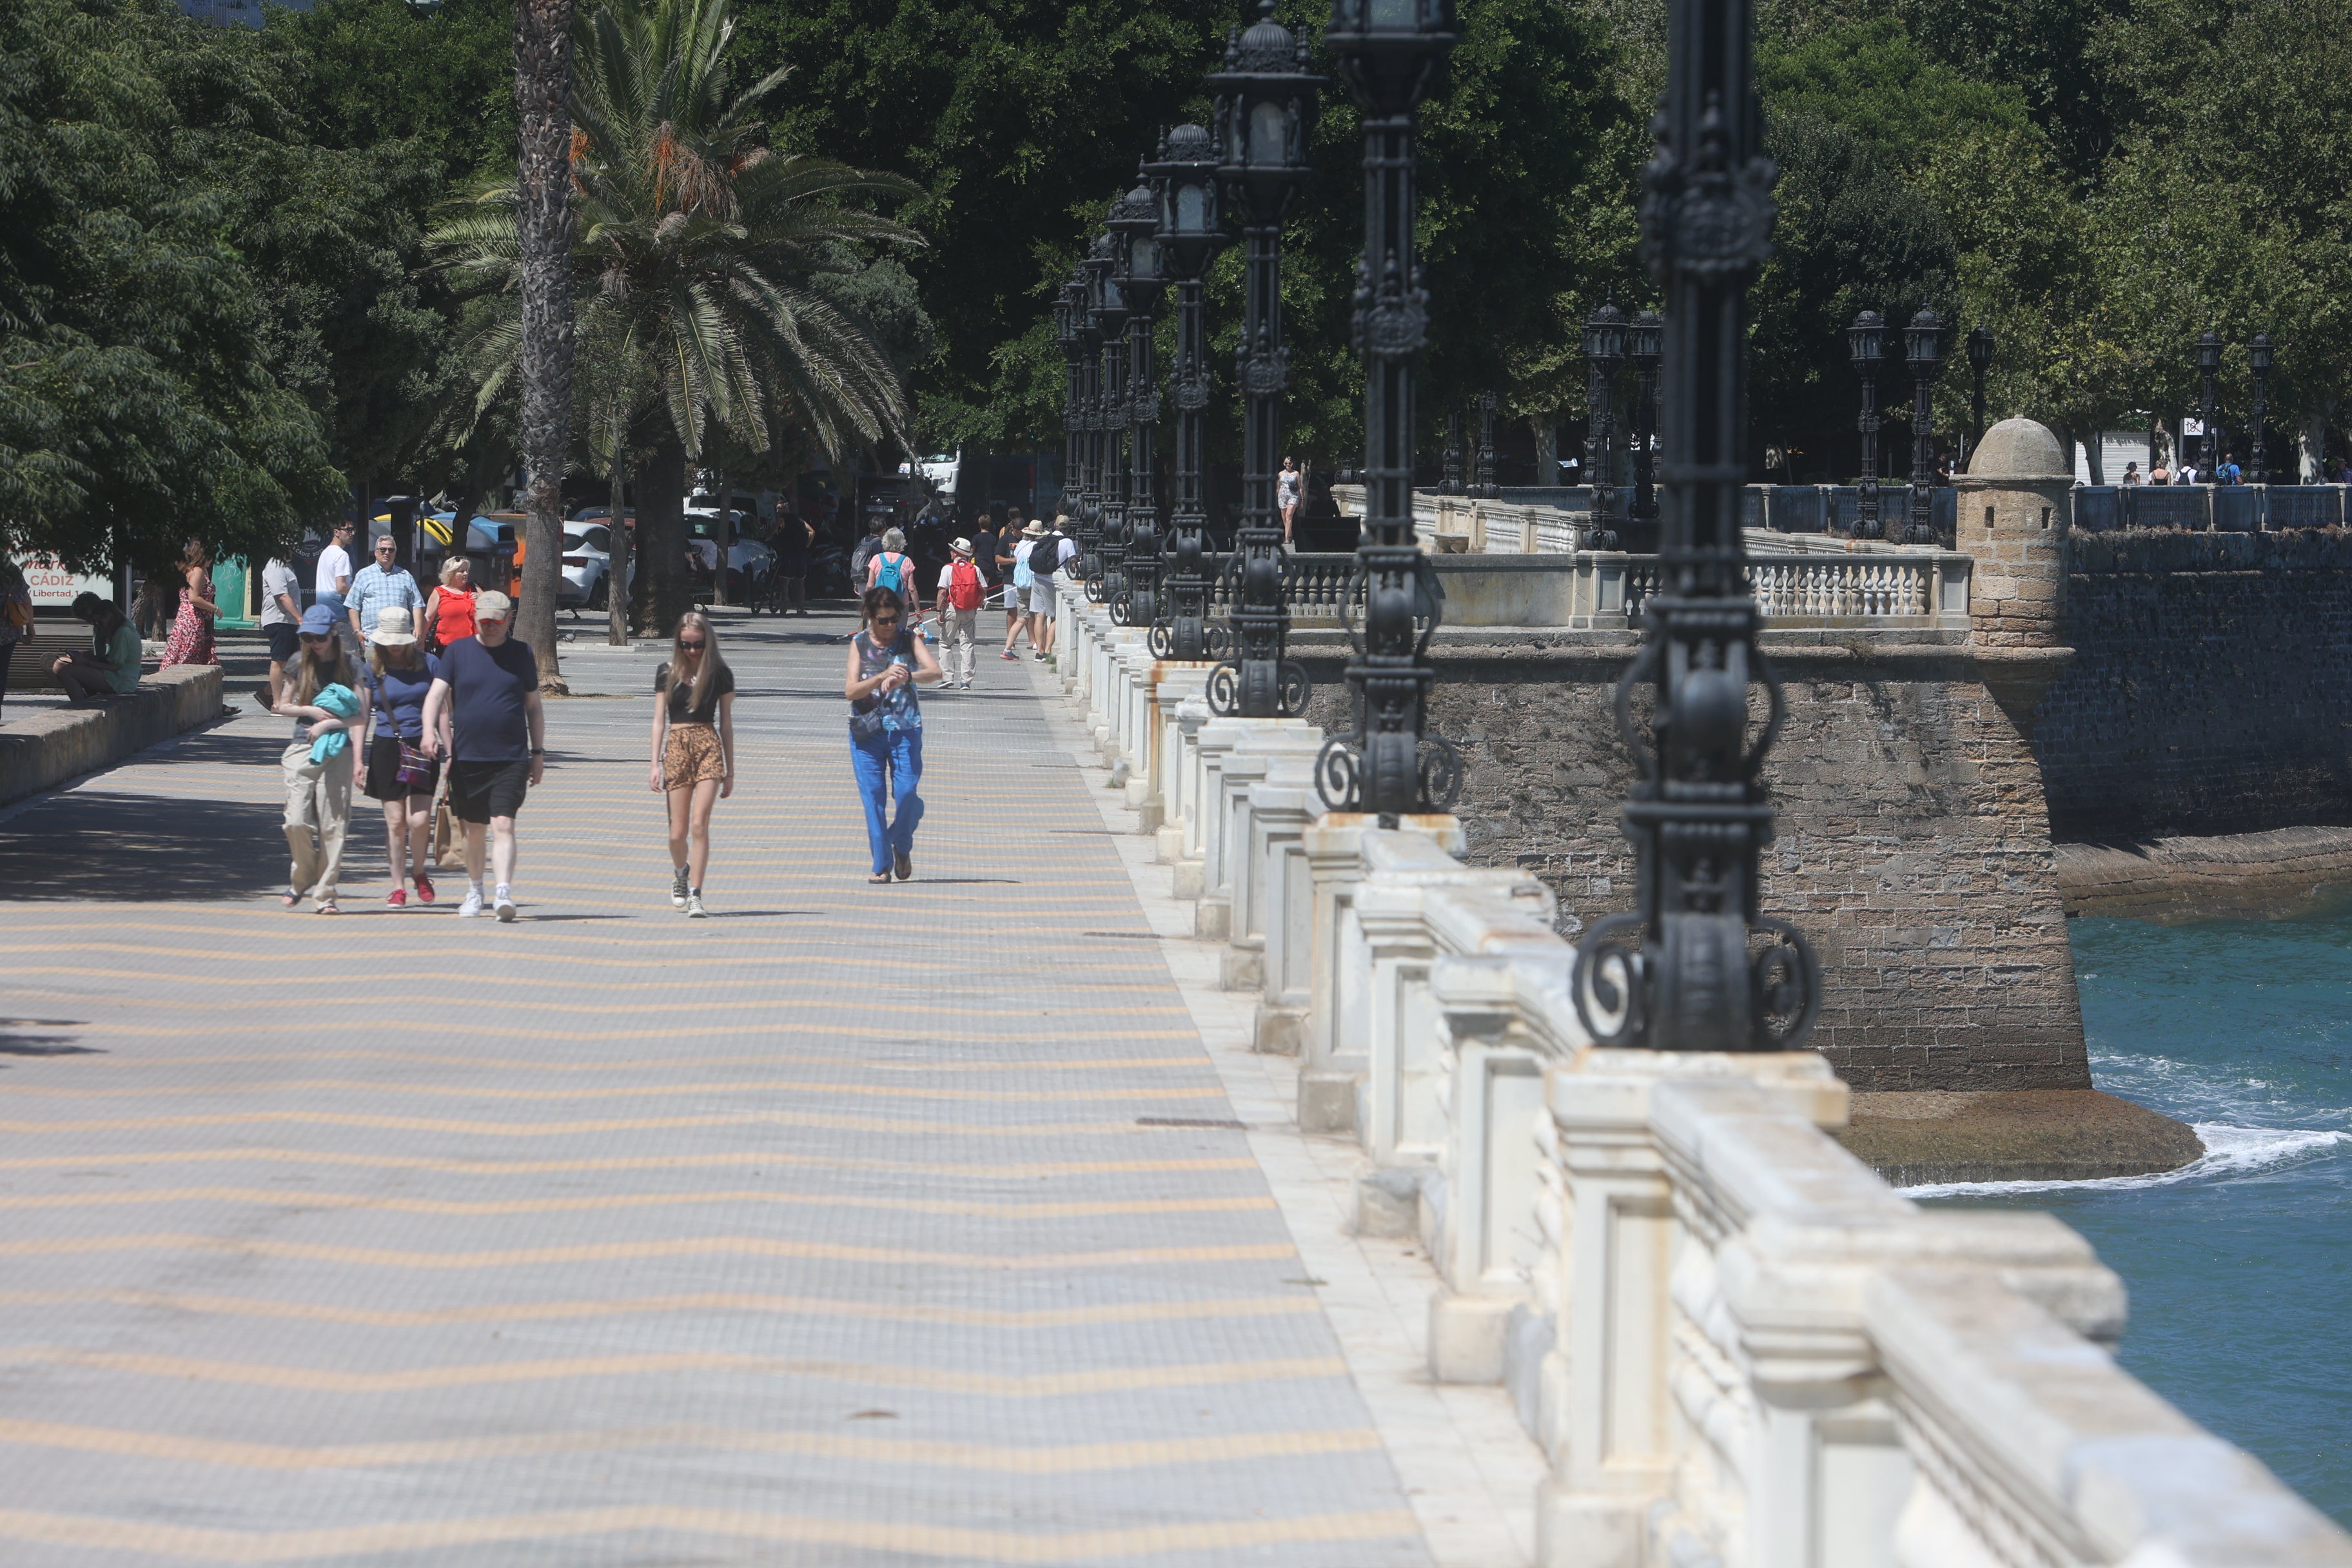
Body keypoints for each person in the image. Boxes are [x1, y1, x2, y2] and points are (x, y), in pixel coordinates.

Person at [420, 590, 544, 922]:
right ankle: (476, 890)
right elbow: (435, 697)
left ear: (508, 621)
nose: (490, 627)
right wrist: (429, 732)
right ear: (475, 619)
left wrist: (538, 753)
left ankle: (503, 891)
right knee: (474, 830)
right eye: (484, 621)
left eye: (497, 621)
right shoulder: (458, 652)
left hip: (511, 756)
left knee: (504, 823)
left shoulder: (521, 653)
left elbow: (533, 707)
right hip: (468, 758)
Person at [272, 604, 369, 915]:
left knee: (333, 826)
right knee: (295, 821)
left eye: (319, 637)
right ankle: (303, 877)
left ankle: (325, 895)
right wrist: (311, 711)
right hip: (303, 746)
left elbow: (362, 716)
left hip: (338, 747)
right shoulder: (300, 663)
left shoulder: (352, 666)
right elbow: (281, 706)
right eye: (308, 637)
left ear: (333, 633)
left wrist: (330, 725)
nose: (314, 642)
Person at [844, 585, 939, 884]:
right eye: (882, 620)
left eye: (894, 620)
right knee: (873, 799)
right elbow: (850, 691)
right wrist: (881, 677)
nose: (889, 627)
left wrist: (908, 676)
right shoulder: (859, 644)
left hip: (906, 729)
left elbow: (936, 672)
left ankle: (901, 843)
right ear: (870, 617)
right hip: (866, 732)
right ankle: (881, 865)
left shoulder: (909, 639)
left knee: (908, 795)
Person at [648, 610, 736, 917]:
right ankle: (681, 873)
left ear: (707, 642)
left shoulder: (720, 674)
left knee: (700, 825)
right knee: (677, 833)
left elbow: (726, 724)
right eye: (686, 645)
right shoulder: (666, 671)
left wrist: (730, 770)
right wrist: (654, 763)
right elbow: (659, 721)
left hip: (708, 746)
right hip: (677, 746)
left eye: (698, 644)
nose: (693, 651)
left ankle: (696, 894)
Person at [361, 606, 445, 908]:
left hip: (423, 745)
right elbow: (362, 717)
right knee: (396, 822)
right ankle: (398, 886)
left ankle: (419, 872)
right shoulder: (373, 669)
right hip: (387, 746)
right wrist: (358, 759)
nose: (395, 646)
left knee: (419, 819)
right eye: (389, 641)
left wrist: (452, 749)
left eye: (400, 640)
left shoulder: (431, 664)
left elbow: (443, 710)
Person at [50, 592, 142, 702]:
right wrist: (84, 655)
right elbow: (101, 655)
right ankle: (87, 698)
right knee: (60, 663)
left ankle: (80, 704)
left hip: (120, 679)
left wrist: (86, 662)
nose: (93, 623)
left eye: (94, 619)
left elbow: (114, 665)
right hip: (111, 671)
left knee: (66, 670)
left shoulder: (122, 632)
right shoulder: (104, 625)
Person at [348, 534, 423, 647]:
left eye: (391, 550)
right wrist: (357, 631)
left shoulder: (406, 576)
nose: (387, 553)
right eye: (383, 549)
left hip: (400, 642)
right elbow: (353, 605)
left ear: (395, 553)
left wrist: (418, 627)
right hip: (372, 641)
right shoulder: (363, 575)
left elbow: (417, 604)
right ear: (376, 552)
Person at [932, 538, 985, 692]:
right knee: (967, 645)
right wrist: (977, 606)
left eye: (952, 550)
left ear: (956, 553)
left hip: (951, 609)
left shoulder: (947, 569)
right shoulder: (975, 569)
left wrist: (938, 611)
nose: (950, 552)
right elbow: (983, 590)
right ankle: (966, 682)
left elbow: (942, 591)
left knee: (945, 643)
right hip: (969, 611)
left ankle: (947, 677)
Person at [160, 538, 217, 669]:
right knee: (189, 655)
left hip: (189, 618)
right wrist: (215, 608)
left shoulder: (195, 570)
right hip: (193, 619)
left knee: (185, 653)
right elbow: (194, 598)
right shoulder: (197, 571)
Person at [257, 552, 302, 709]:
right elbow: (282, 596)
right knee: (279, 660)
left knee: (293, 663)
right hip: (279, 620)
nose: (292, 548)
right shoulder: (275, 565)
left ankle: (267, 693)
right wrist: (300, 619)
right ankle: (276, 703)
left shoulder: (286, 565)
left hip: (288, 622)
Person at [1028, 516, 1075, 662]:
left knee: (1039, 616)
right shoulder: (1067, 542)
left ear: (1055, 525)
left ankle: (1039, 651)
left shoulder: (1046, 538)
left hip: (1037, 578)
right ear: (1067, 528)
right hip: (1051, 581)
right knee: (1055, 616)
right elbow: (1073, 564)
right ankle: (1047, 652)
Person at [423, 555, 478, 652]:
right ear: (451, 574)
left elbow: (493, 605)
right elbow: (428, 617)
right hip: (447, 648)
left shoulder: (473, 588)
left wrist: (482, 600)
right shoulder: (439, 592)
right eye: (461, 571)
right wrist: (421, 639)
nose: (466, 574)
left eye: (467, 571)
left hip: (473, 647)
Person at [0, 556, 33, 714]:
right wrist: (30, 627)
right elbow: (25, 599)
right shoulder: (10, 569)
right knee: (1, 672)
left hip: (7, 632)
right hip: (7, 632)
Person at [865, 526, 917, 621]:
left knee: (880, 633)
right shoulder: (906, 561)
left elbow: (870, 585)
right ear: (902, 542)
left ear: (885, 541)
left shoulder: (877, 559)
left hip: (880, 603)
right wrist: (918, 610)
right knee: (898, 633)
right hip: (900, 604)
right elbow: (912, 589)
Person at [999, 522, 1030, 660]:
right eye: (1018, 532)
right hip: (1010, 578)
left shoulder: (1026, 541)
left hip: (1024, 580)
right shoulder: (1005, 539)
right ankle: (1010, 640)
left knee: (1027, 612)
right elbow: (997, 558)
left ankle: (1032, 640)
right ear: (1013, 529)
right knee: (1012, 610)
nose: (1020, 535)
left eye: (1022, 532)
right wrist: (1011, 560)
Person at [316, 520, 357, 602]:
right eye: (348, 530)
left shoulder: (325, 553)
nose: (352, 533)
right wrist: (359, 594)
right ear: (336, 532)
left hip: (322, 606)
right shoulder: (342, 555)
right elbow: (341, 587)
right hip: (338, 606)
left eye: (353, 530)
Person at [1279, 456, 1302, 545]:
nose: (1288, 465)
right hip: (1282, 496)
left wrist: (1302, 499)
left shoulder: (1296, 474)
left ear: (1292, 464)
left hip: (1293, 496)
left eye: (1290, 463)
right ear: (1284, 464)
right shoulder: (1280, 474)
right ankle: (1290, 534)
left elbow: (1300, 487)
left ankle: (1287, 538)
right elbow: (1278, 487)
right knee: (1285, 518)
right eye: (1286, 463)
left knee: (1289, 516)